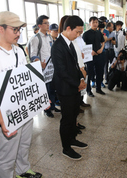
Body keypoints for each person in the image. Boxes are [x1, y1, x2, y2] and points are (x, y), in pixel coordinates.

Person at [0, 11, 42, 178]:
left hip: (24, 108)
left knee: (24, 144)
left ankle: (23, 171)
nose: (19, 34)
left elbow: (26, 80)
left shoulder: (19, 51)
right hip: (6, 113)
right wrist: (2, 121)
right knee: (7, 154)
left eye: (19, 29)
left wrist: (40, 99)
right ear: (0, 29)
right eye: (15, 30)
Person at [51, 15, 88, 160]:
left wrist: (81, 78)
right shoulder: (58, 46)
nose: (78, 35)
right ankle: (66, 147)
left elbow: (74, 65)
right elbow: (61, 71)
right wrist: (77, 83)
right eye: (77, 32)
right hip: (65, 88)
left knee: (73, 115)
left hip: (74, 86)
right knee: (66, 118)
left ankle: (72, 139)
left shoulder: (70, 43)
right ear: (68, 28)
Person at [26, 15, 60, 118]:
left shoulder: (49, 37)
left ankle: (52, 105)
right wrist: (39, 62)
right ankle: (47, 109)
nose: (48, 25)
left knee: (52, 88)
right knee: (46, 90)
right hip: (42, 69)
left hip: (51, 68)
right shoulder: (36, 38)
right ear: (39, 25)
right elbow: (32, 55)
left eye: (48, 23)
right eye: (46, 23)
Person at [82, 16, 105, 96]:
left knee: (100, 72)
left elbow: (103, 42)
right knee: (89, 74)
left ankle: (98, 88)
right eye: (93, 22)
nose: (95, 24)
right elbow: (82, 46)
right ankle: (88, 91)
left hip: (99, 55)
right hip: (90, 57)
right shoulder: (86, 34)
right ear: (90, 24)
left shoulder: (99, 33)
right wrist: (89, 51)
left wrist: (102, 49)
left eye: (96, 22)